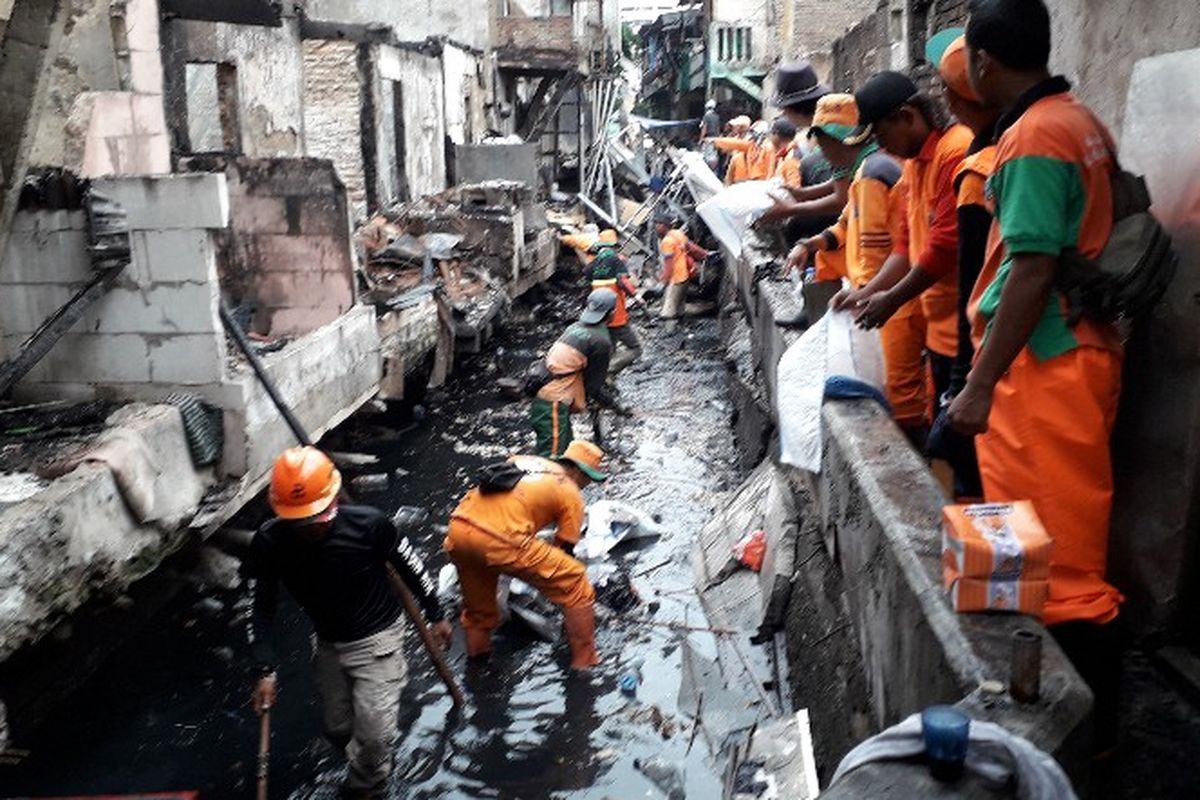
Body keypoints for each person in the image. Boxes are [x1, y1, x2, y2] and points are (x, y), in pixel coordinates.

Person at [951, 0, 1126, 751]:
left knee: (1057, 556)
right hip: (1069, 352)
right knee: (1061, 531)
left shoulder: (1030, 139)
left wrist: (980, 384)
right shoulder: (1076, 120)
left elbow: (1030, 266)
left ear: (985, 60)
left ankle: (1079, 732)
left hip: (1044, 364)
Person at [248, 447, 451, 799]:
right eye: (301, 522)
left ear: (332, 503)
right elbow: (261, 607)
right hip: (328, 639)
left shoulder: (370, 526)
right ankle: (372, 760)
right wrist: (264, 669)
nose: (311, 528)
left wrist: (437, 614)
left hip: (378, 637)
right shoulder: (270, 542)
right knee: (337, 728)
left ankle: (366, 786)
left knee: (372, 737)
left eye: (317, 518)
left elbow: (412, 567)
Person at [841, 71, 973, 415]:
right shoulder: (913, 164)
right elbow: (905, 244)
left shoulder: (954, 152)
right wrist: (867, 292)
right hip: (939, 327)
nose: (883, 147)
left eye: (884, 134)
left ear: (907, 117)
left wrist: (893, 299)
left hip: (966, 329)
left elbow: (945, 247)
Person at [782, 94, 910, 419]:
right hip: (885, 292)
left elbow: (873, 250)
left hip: (889, 302)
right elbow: (845, 225)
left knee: (901, 393)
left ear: (835, 140)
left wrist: (862, 295)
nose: (821, 153)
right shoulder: (865, 168)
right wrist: (811, 244)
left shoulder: (870, 176)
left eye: (822, 142)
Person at [443, 440, 610, 669]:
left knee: (478, 613)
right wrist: (559, 597)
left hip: (459, 530)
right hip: (501, 539)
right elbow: (565, 550)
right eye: (588, 478)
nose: (587, 484)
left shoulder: (523, 460)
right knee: (576, 585)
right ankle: (586, 662)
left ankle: (479, 668)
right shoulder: (569, 490)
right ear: (576, 469)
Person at [924, 30, 1002, 499]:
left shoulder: (975, 170)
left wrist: (962, 381)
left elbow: (973, 282)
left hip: (991, 351)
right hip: (1020, 351)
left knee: (970, 468)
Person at [531, 289, 620, 457]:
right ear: (612, 313)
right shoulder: (601, 342)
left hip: (546, 395)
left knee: (567, 453)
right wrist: (614, 406)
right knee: (551, 460)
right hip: (553, 403)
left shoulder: (574, 328)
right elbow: (593, 388)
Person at [586, 236, 645, 376]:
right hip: (616, 315)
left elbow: (589, 284)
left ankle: (604, 378)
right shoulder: (616, 260)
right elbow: (622, 281)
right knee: (635, 349)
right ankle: (607, 371)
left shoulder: (592, 266)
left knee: (610, 348)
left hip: (598, 316)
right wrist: (636, 296)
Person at [655, 214, 709, 330]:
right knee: (679, 306)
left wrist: (664, 282)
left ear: (665, 226)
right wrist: (705, 254)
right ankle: (682, 327)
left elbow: (668, 264)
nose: (656, 227)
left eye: (658, 225)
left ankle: (671, 335)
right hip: (685, 274)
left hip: (676, 278)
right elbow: (691, 246)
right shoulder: (677, 234)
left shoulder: (667, 242)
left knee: (668, 312)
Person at [710, 118, 776, 183]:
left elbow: (771, 167)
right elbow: (735, 143)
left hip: (759, 182)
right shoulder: (752, 145)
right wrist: (716, 141)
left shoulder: (767, 148)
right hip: (749, 179)